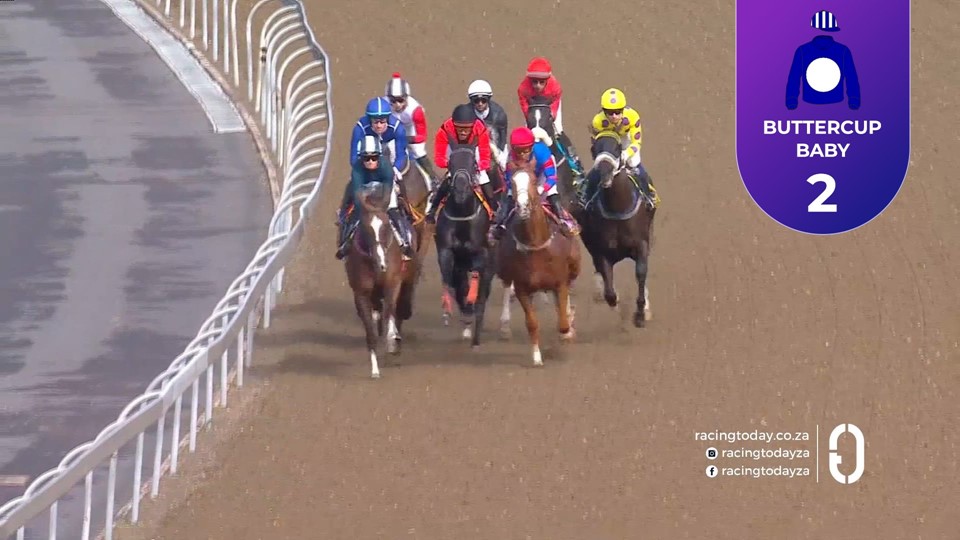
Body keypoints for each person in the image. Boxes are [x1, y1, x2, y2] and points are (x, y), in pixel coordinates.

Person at [488, 127, 578, 244]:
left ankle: (563, 218)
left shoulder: (541, 151)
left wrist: (541, 189)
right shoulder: (511, 158)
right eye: (519, 151)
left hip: (542, 176)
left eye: (525, 150)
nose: (522, 154)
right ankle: (500, 224)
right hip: (521, 179)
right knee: (509, 198)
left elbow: (551, 177)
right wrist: (515, 191)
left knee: (552, 193)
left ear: (531, 147)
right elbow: (509, 180)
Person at [335, 135, 415, 260]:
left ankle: (404, 242)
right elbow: (358, 195)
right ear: (361, 158)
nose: (370, 161)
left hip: (384, 192)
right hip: (364, 194)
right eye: (366, 158)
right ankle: (345, 243)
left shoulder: (386, 167)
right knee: (354, 218)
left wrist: (381, 208)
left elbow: (387, 193)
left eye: (374, 157)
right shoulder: (357, 169)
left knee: (394, 214)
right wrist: (369, 209)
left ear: (379, 156)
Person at [424, 104, 497, 224]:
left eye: (467, 129)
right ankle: (433, 209)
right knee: (449, 178)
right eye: (459, 128)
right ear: (454, 125)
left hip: (474, 150)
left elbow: (484, 153)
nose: (463, 132)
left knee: (483, 177)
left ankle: (494, 210)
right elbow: (439, 156)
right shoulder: (446, 129)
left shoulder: (480, 128)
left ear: (473, 126)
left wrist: (480, 167)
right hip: (453, 150)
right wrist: (450, 165)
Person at [582, 88, 656, 206]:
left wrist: (626, 154)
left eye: (618, 112)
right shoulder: (597, 122)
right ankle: (587, 198)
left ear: (623, 109)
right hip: (609, 139)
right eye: (610, 113)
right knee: (598, 169)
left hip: (626, 138)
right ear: (604, 111)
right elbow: (596, 144)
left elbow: (636, 142)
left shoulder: (633, 117)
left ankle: (648, 196)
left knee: (635, 164)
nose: (614, 116)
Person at [516, 57, 585, 178]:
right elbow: (524, 105)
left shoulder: (555, 87)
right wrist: (530, 119)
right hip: (533, 108)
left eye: (541, 82)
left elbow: (555, 103)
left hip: (549, 105)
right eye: (534, 82)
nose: (538, 86)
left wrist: (551, 115)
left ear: (547, 80)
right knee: (527, 133)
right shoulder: (523, 88)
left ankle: (574, 162)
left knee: (558, 131)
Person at [384, 72, 441, 187]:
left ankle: (433, 178)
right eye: (393, 101)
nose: (397, 105)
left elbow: (422, 136)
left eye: (400, 100)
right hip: (392, 128)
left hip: (411, 128)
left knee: (418, 152)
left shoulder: (416, 110)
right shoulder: (383, 105)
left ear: (407, 98)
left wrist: (407, 139)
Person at [349, 97, 408, 181]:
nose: (379, 126)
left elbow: (401, 155)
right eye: (375, 122)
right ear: (369, 120)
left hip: (391, 152)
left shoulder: (398, 128)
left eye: (382, 121)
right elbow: (354, 156)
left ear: (388, 119)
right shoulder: (360, 128)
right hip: (370, 155)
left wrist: (395, 169)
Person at [467, 79, 509, 172]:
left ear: (488, 100)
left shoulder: (499, 114)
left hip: (495, 146)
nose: (480, 104)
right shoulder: (465, 115)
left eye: (483, 100)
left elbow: (502, 140)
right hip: (474, 148)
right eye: (476, 101)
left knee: (505, 167)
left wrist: (500, 157)